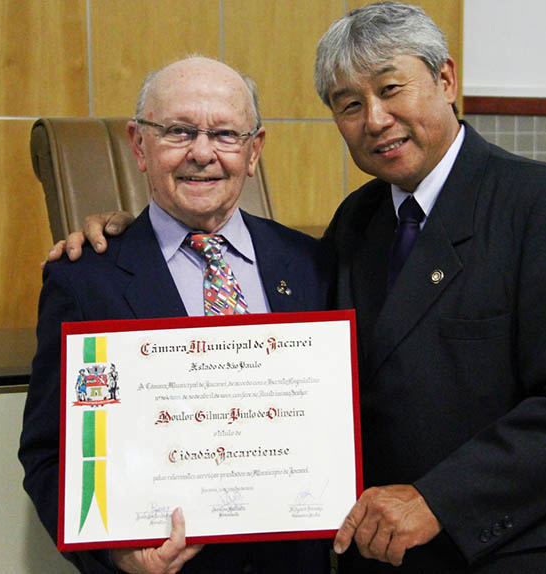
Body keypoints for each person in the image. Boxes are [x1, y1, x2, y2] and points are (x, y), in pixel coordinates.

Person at [51, 3, 546, 572]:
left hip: (511, 552)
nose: (375, 119)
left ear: (446, 79)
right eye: (349, 104)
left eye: (391, 89)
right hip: (377, 559)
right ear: (140, 145)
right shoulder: (357, 225)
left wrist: (440, 499)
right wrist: (121, 237)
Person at [19, 56, 333, 574]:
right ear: (139, 146)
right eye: (178, 131)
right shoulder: (84, 282)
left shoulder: (313, 264)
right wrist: (117, 555)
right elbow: (49, 455)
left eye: (226, 134)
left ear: (254, 151)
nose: (203, 152)